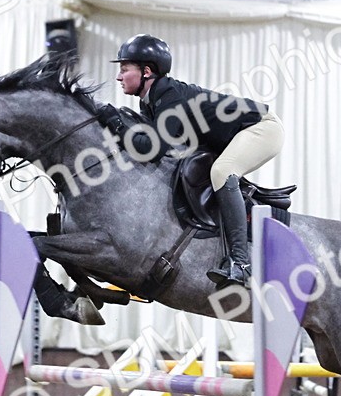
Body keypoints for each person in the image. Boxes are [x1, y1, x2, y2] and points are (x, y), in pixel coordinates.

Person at [110, 34, 284, 289]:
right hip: (234, 135)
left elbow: (151, 149)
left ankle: (241, 263)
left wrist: (113, 123)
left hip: (263, 128)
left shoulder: (167, 94)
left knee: (223, 171)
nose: (119, 76)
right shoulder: (151, 102)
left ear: (146, 71)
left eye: (124, 69)